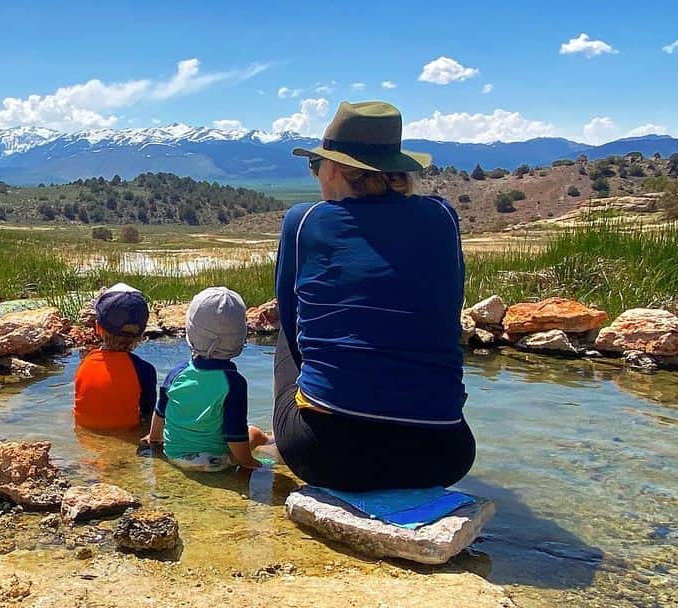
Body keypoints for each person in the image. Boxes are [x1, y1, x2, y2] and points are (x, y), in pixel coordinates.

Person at [274, 101, 475, 491]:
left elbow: (290, 317)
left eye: (317, 166)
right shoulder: (443, 217)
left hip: (324, 453)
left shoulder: (303, 222)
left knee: (288, 327)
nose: (317, 175)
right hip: (444, 455)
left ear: (333, 169)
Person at [144, 287, 270, 471]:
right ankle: (271, 442)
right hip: (215, 461)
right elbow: (234, 434)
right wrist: (248, 463)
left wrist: (154, 439)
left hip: (174, 454)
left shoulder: (176, 373)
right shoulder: (234, 383)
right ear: (240, 337)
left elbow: (160, 412)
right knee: (255, 433)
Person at [73, 283, 157, 431]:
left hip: (84, 434)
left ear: (98, 327)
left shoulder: (84, 364)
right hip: (128, 435)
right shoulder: (145, 370)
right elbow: (148, 413)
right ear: (142, 334)